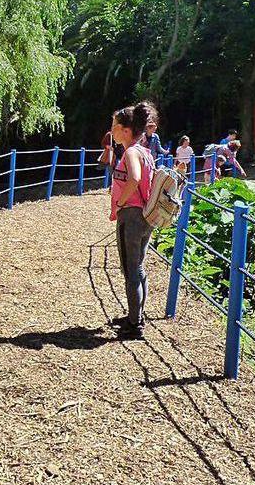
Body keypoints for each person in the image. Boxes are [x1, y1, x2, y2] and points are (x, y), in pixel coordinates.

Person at [109, 101, 158, 341]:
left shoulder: (130, 152)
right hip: (145, 216)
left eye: (115, 127)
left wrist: (119, 204)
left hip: (131, 215)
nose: (112, 131)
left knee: (131, 269)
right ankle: (136, 314)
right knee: (137, 267)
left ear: (126, 130)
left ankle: (134, 324)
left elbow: (135, 179)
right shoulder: (144, 152)